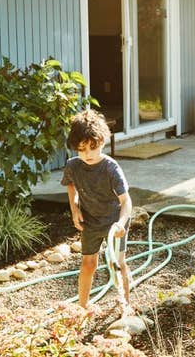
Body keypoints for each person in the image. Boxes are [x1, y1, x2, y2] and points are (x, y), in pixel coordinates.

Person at [61, 109, 134, 315]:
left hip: (114, 223)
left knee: (117, 263)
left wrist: (121, 223)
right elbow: (70, 185)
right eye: (82, 149)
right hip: (90, 222)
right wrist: (74, 208)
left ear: (102, 142)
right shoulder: (73, 166)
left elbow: (126, 201)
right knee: (88, 263)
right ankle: (82, 307)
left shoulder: (111, 168)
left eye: (93, 148)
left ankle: (125, 306)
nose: (88, 154)